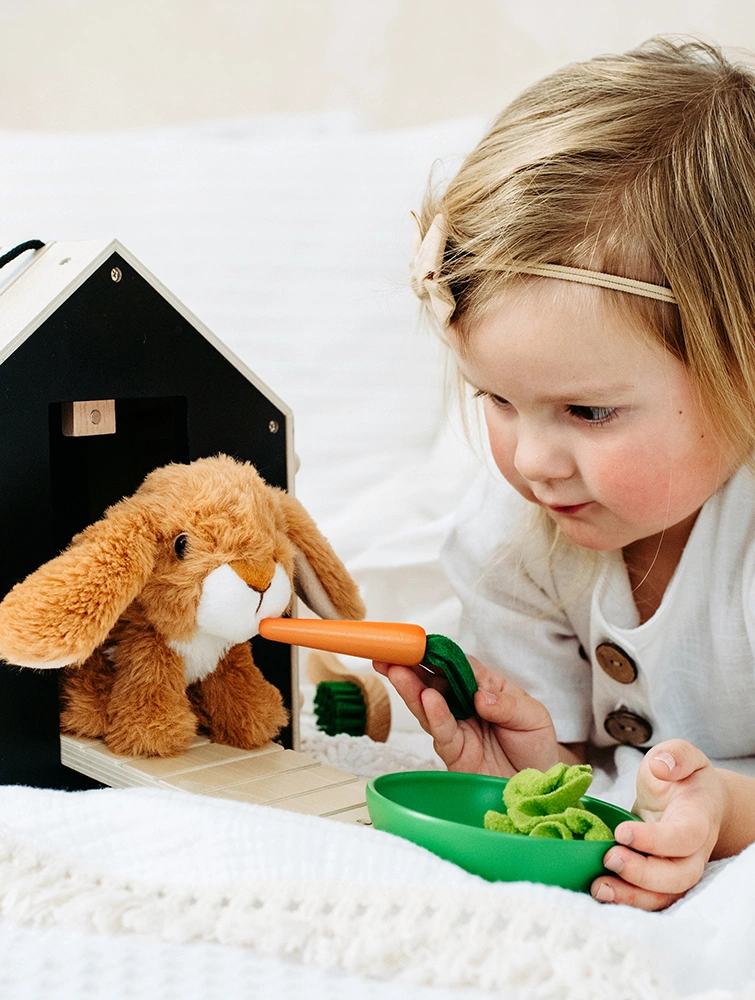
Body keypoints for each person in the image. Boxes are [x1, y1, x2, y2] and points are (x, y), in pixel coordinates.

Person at [373, 37, 755, 911]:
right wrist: (538, 770)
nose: (531, 462)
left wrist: (722, 809)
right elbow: (586, 786)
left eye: (587, 412)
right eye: (497, 400)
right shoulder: (509, 539)